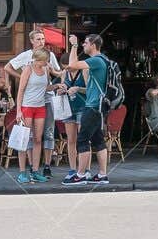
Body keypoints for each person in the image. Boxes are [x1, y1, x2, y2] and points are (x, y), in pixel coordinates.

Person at [7, 29, 60, 178]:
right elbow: (20, 91)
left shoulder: (45, 68)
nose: (41, 41)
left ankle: (36, 171)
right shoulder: (27, 67)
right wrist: (18, 111)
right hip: (27, 106)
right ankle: (23, 172)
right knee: (25, 138)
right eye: (38, 39)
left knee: (38, 138)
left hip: (41, 105)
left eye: (43, 39)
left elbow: (49, 83)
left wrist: (56, 86)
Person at [62, 33, 111, 185]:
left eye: (85, 43)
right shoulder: (104, 60)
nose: (84, 45)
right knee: (98, 140)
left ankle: (81, 175)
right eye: (82, 43)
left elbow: (71, 65)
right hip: (99, 105)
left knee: (82, 139)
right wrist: (78, 88)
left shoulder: (96, 60)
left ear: (93, 45)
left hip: (92, 106)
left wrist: (74, 46)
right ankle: (102, 175)